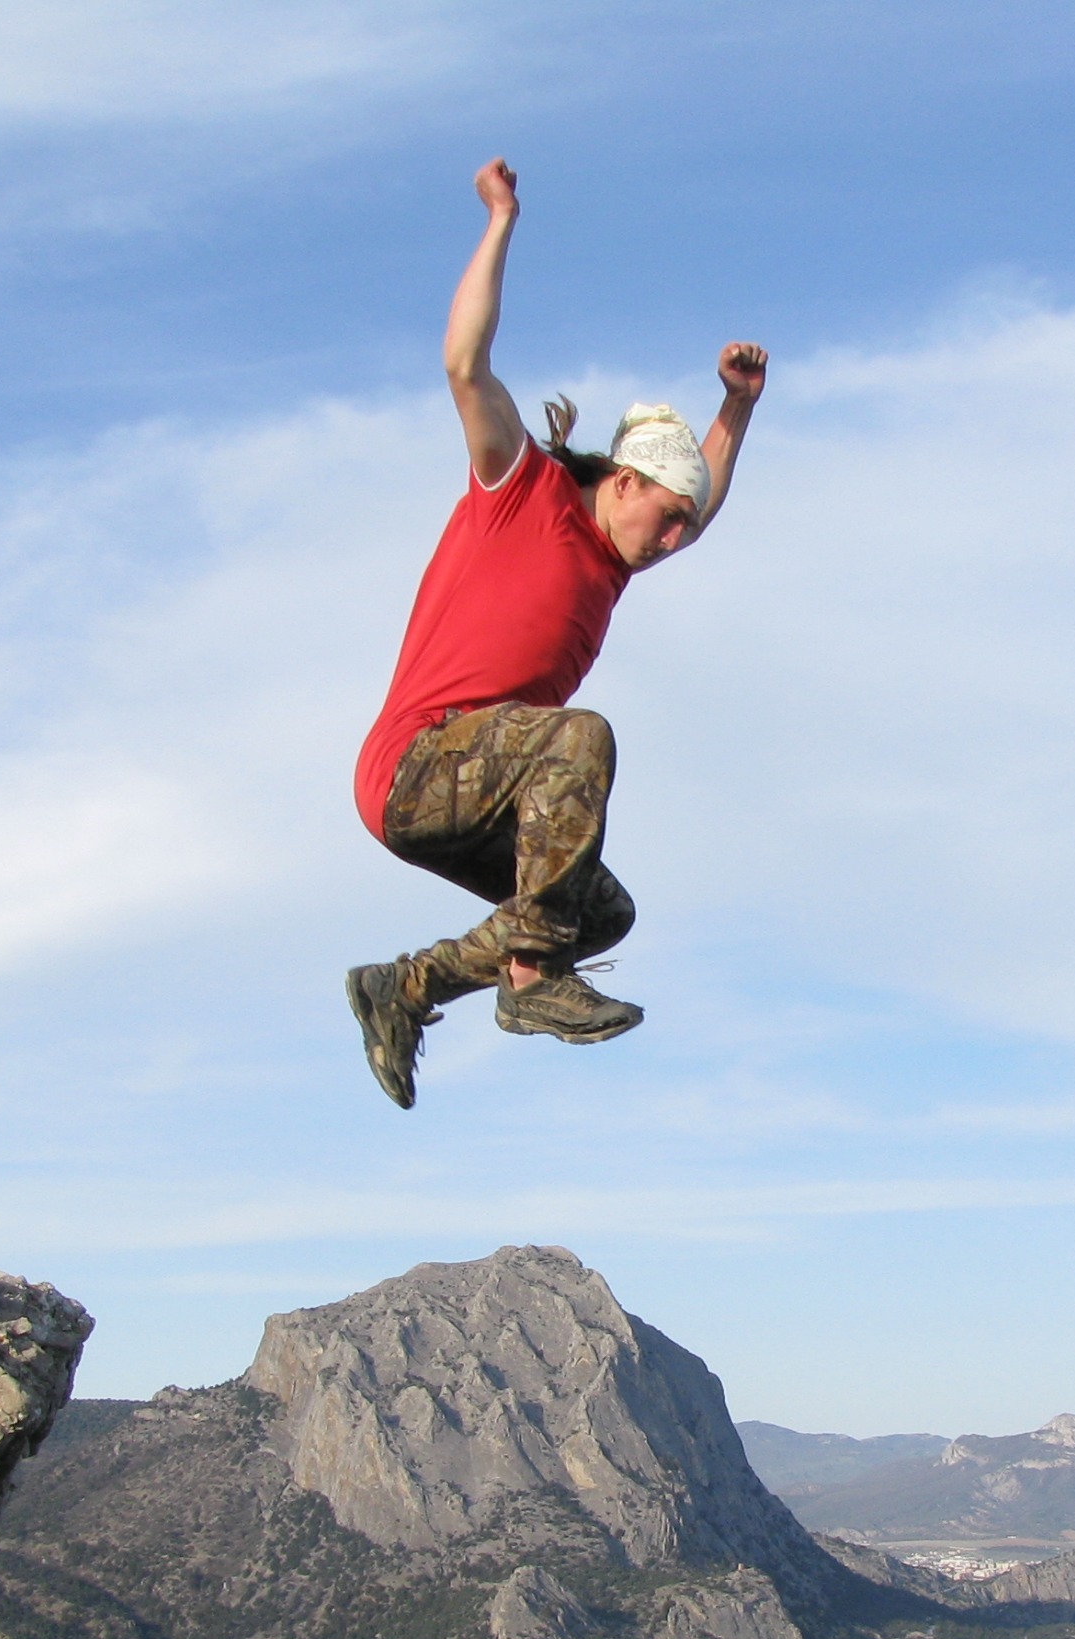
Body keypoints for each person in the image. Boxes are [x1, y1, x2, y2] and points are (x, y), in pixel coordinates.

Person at [342, 156, 768, 1108]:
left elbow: (700, 497)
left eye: (678, 532)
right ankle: (529, 987)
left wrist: (735, 409)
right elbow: (465, 364)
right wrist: (501, 220)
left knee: (598, 909)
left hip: (485, 795)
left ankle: (404, 988)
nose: (667, 545)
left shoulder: (614, 561)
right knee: (582, 735)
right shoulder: (518, 488)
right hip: (417, 766)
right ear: (620, 479)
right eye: (661, 518)